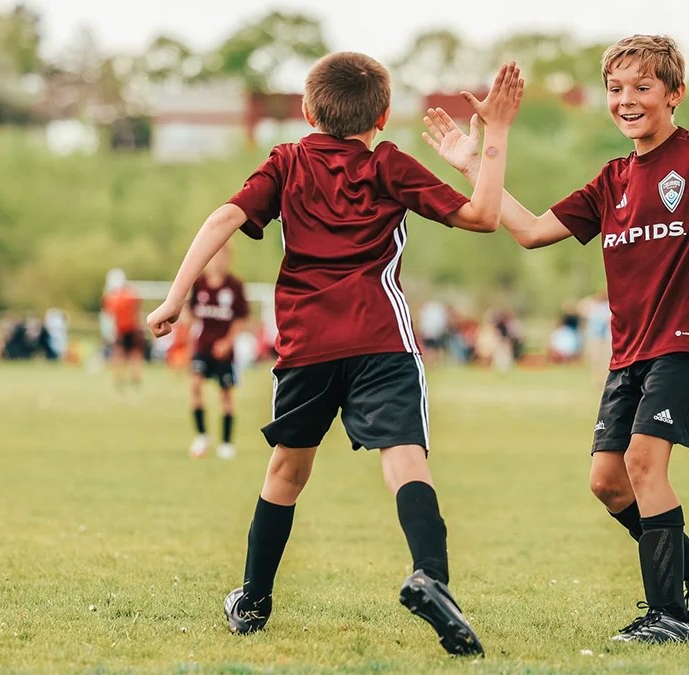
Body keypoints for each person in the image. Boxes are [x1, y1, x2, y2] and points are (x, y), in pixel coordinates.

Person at [422, 33, 689, 644]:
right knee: (607, 480)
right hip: (629, 353)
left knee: (645, 464)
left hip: (684, 341)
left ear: (674, 94)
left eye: (642, 88)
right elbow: (529, 231)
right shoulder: (611, 179)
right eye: (615, 89)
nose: (626, 99)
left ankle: (670, 617)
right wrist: (475, 161)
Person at [145, 52, 523, 656]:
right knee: (405, 459)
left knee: (287, 472)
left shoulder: (288, 161)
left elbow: (224, 217)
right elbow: (481, 216)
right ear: (384, 114)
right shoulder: (387, 163)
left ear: (305, 110)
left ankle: (253, 598)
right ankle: (431, 575)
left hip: (306, 344)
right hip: (380, 337)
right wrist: (492, 139)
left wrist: (174, 298)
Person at [188, 243, 250, 460]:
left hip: (224, 351)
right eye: (214, 257)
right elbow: (192, 314)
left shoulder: (235, 286)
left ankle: (226, 443)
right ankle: (202, 436)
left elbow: (241, 319)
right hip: (202, 347)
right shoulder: (200, 284)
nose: (217, 261)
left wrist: (227, 341)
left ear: (228, 259)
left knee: (226, 396)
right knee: (195, 385)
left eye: (222, 256)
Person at [102, 268, 145, 388]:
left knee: (119, 354)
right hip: (133, 328)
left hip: (120, 329)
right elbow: (137, 310)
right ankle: (135, 379)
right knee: (135, 354)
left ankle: (119, 379)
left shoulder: (110, 298)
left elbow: (108, 314)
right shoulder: (132, 295)